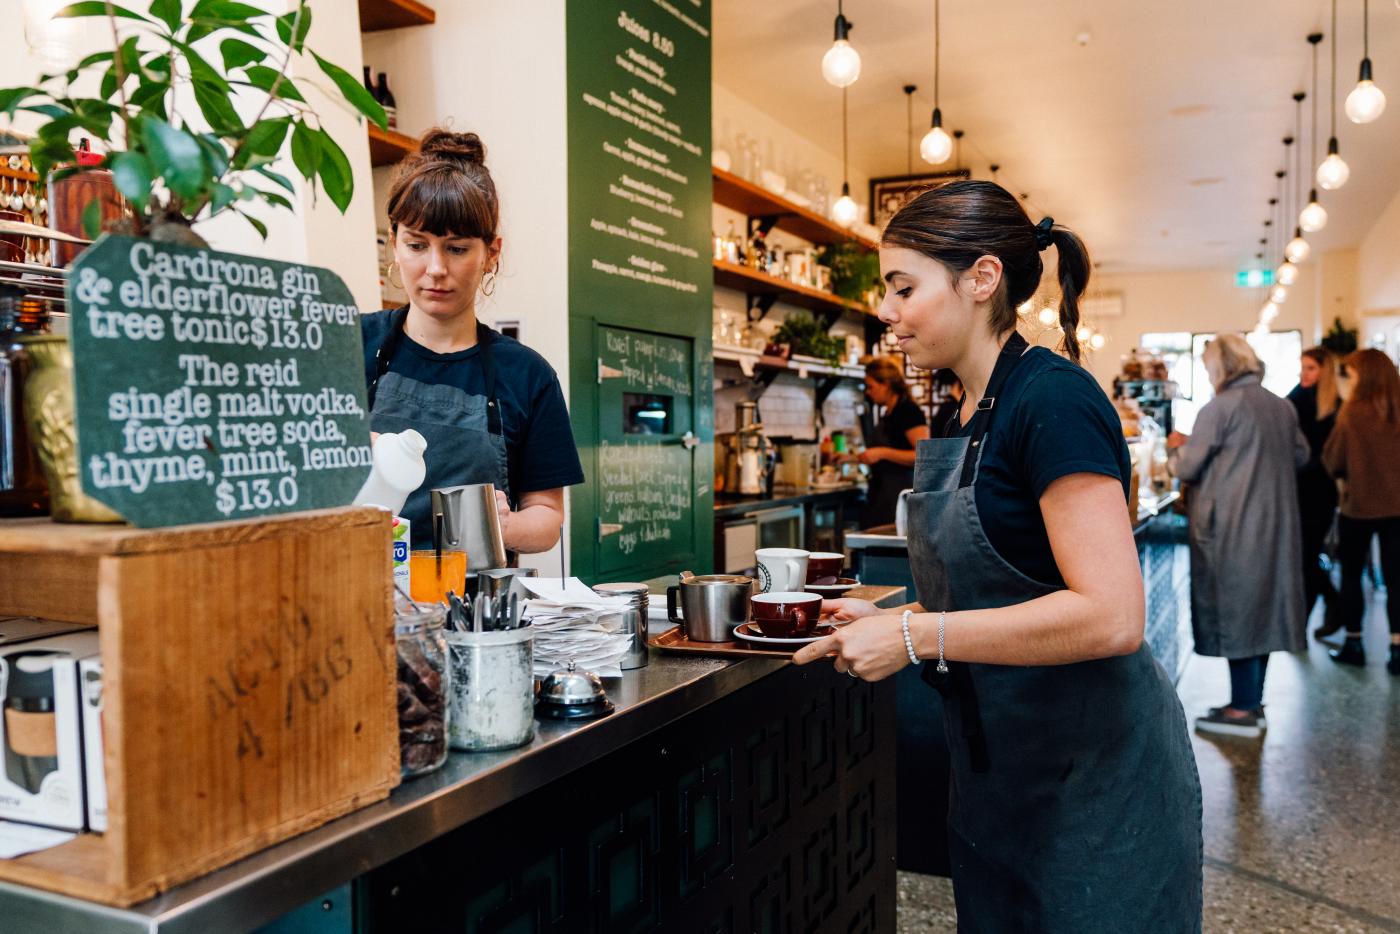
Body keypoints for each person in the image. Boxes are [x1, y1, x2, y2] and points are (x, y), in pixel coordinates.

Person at [794, 181, 1202, 932]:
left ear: (981, 279)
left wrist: (916, 636)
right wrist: (890, 612)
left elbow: (1113, 616)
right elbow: (999, 591)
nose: (887, 311)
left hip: (1093, 785)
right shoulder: (960, 412)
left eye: (903, 287)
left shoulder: (1053, 400)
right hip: (997, 775)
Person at [361, 129, 584, 552]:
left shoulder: (527, 375)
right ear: (394, 243)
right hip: (359, 597)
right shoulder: (349, 347)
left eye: (457, 248)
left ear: (491, 253)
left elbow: (547, 518)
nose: (435, 268)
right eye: (416, 245)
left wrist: (502, 525)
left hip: (476, 609)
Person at [1167, 335, 1308, 737]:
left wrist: (1180, 447)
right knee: (1261, 610)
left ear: (1220, 367)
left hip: (1230, 524)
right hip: (1276, 523)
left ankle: (1241, 710)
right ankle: (1251, 700)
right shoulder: (1282, 406)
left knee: (1239, 609)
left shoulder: (1219, 408)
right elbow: (1301, 456)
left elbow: (1187, 469)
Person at [1321, 349, 1400, 674]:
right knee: (1397, 579)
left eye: (1351, 374)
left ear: (1363, 376)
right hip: (1397, 509)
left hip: (1358, 508)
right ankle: (1397, 648)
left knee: (1352, 576)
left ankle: (1354, 643)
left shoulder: (1351, 412)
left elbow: (1333, 460)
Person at [1287, 347, 1342, 636]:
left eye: (1310, 368)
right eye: (1302, 367)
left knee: (1306, 556)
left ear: (1325, 371)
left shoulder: (1335, 407)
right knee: (1303, 556)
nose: (1303, 373)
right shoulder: (1295, 398)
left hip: (1319, 491)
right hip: (1298, 488)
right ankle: (1328, 607)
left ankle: (1306, 621)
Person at [855, 356, 929, 526]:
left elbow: (922, 455)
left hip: (900, 493)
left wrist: (881, 453)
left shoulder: (908, 411)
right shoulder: (888, 413)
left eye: (871, 386)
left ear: (886, 385)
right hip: (882, 493)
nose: (868, 391)